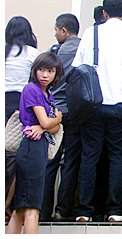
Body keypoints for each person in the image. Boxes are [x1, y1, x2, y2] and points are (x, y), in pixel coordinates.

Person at [71, 0, 122, 222]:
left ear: (103, 13)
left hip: (93, 104)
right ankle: (116, 209)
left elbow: (78, 67)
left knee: (89, 156)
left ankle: (84, 210)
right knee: (118, 158)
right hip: (121, 104)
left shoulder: (90, 33)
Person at [7, 52, 63, 234]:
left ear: (56, 73)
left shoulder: (48, 94)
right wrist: (57, 118)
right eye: (41, 70)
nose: (45, 75)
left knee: (21, 209)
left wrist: (46, 126)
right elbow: (48, 123)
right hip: (32, 148)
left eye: (50, 71)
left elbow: (52, 128)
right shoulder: (32, 89)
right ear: (34, 71)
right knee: (31, 209)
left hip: (38, 149)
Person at [40, 14, 82, 222]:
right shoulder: (84, 49)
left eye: (56, 30)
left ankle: (43, 210)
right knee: (71, 162)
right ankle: (64, 210)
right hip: (75, 112)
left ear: (64, 30)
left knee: (50, 161)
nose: (55, 34)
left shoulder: (55, 51)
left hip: (53, 112)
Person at [5, 16, 40, 220]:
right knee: (17, 154)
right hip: (21, 104)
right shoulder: (33, 54)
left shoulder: (4, 51)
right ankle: (9, 204)